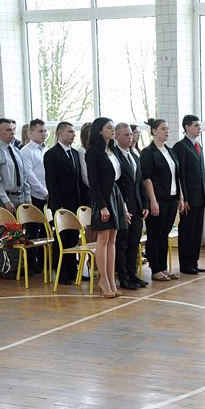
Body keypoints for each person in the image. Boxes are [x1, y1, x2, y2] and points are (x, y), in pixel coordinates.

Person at [86, 117, 129, 298]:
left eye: (113, 127)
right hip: (103, 198)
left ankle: (111, 279)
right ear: (99, 130)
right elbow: (93, 182)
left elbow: (118, 179)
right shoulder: (93, 152)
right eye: (109, 127)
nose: (112, 130)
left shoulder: (111, 150)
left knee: (113, 239)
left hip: (116, 195)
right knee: (103, 239)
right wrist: (102, 205)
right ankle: (103, 279)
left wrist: (123, 206)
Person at [140, 118, 183, 282]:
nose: (167, 131)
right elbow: (147, 178)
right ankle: (155, 269)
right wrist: (153, 201)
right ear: (154, 131)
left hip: (171, 199)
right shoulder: (148, 152)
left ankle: (163, 267)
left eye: (168, 128)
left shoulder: (170, 151)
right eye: (163, 129)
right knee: (155, 235)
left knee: (164, 234)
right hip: (158, 200)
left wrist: (180, 197)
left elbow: (176, 176)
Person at [45, 121, 87, 284]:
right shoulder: (52, 154)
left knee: (73, 238)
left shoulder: (75, 153)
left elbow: (78, 181)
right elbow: (52, 182)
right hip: (61, 204)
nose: (73, 134)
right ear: (60, 133)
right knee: (61, 238)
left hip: (75, 203)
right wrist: (57, 206)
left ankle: (73, 270)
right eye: (70, 132)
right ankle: (61, 272)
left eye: (73, 132)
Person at [0, 118, 32, 279]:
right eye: (8, 130)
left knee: (17, 233)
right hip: (5, 197)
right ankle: (2, 267)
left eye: (13, 129)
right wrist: (5, 200)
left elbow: (24, 176)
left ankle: (15, 265)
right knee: (3, 233)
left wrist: (28, 198)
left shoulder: (16, 150)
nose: (12, 133)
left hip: (20, 195)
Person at [173, 114, 205, 275]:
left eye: (199, 125)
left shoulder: (197, 146)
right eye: (196, 125)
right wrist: (184, 198)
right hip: (189, 197)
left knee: (196, 232)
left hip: (199, 196)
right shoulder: (180, 147)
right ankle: (185, 264)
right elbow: (180, 175)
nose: (198, 128)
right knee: (187, 231)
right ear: (187, 127)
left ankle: (193, 261)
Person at [114, 123, 149, 290]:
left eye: (130, 134)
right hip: (124, 207)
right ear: (117, 136)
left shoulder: (134, 156)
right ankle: (123, 277)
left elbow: (140, 183)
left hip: (137, 206)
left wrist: (145, 203)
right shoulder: (114, 156)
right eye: (126, 135)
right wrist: (123, 207)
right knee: (122, 243)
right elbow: (118, 185)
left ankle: (132, 274)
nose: (130, 137)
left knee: (134, 242)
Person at [20, 118, 49, 273]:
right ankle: (31, 264)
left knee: (46, 230)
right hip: (35, 196)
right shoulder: (26, 151)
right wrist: (45, 192)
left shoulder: (46, 149)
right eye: (40, 131)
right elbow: (29, 176)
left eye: (45, 131)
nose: (43, 134)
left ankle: (45, 262)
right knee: (32, 231)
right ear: (30, 133)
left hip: (47, 195)